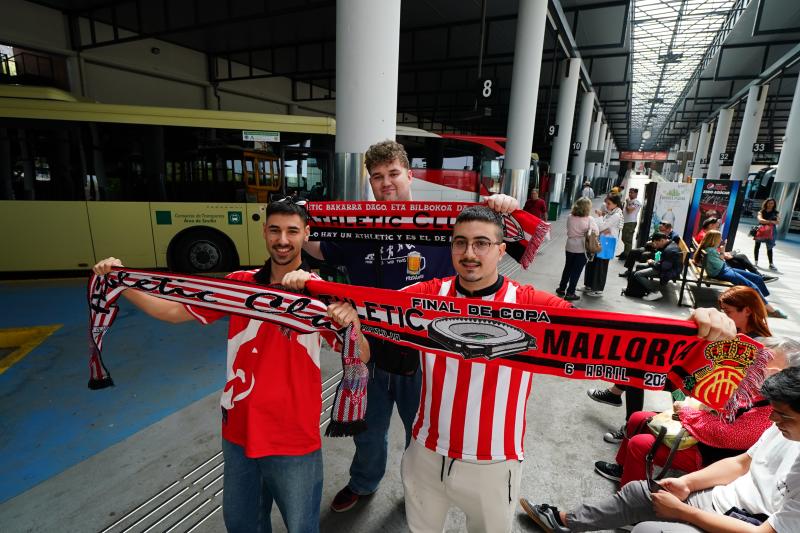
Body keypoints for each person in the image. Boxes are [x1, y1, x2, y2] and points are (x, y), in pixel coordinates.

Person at [286, 206, 736, 533]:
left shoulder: (532, 304)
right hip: (423, 454)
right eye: (461, 242)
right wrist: (317, 292)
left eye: (482, 243)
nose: (470, 253)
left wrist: (693, 328)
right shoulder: (424, 295)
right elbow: (371, 324)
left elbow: (612, 337)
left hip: (494, 463)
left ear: (501, 250)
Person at [91, 200, 369, 533]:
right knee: (241, 524)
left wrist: (352, 323)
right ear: (264, 232)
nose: (283, 239)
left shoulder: (320, 295)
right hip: (239, 431)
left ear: (306, 234)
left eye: (292, 231)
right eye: (275, 230)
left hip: (293, 437)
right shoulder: (238, 284)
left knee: (302, 527)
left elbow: (362, 356)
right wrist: (121, 282)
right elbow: (174, 312)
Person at [303, 139, 519, 513]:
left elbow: (496, 240)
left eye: (393, 173)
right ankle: (364, 482)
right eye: (376, 176)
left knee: (422, 432)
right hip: (367, 348)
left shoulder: (444, 225)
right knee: (368, 428)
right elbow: (320, 249)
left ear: (410, 175)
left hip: (426, 351)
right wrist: (300, 221)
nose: (385, 182)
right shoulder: (357, 227)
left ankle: (417, 490)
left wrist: (504, 207)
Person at [521, 365, 800, 533]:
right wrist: (686, 483)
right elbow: (741, 462)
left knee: (646, 528)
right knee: (638, 490)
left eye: (782, 415)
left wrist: (683, 513)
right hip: (715, 493)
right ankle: (566, 522)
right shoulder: (775, 421)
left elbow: (725, 437)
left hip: (737, 517)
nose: (773, 420)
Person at [593, 336, 799, 488]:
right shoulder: (751, 386)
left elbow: (728, 437)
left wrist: (686, 413)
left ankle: (631, 505)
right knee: (637, 419)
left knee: (640, 445)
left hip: (711, 454)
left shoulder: (773, 408)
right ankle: (624, 470)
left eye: (765, 364)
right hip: (700, 432)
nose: (755, 365)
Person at [695, 230, 787, 319]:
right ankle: (770, 310)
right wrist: (723, 253)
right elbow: (720, 264)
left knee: (757, 278)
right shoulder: (710, 251)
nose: (721, 240)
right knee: (752, 285)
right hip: (722, 272)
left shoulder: (710, 249)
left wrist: (722, 254)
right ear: (714, 240)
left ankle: (762, 303)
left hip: (724, 270)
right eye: (720, 238)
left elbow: (719, 261)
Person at [696, 218, 776, 283]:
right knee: (739, 260)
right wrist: (723, 253)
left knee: (741, 257)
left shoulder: (705, 234)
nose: (718, 229)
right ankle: (753, 278)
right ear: (710, 226)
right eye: (717, 227)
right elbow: (713, 255)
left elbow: (711, 252)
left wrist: (724, 253)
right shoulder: (706, 235)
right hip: (714, 265)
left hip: (712, 261)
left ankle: (755, 277)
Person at [556, 197, 598, 301]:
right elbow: (596, 232)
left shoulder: (570, 217)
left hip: (570, 245)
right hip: (581, 248)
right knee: (576, 271)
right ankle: (570, 292)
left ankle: (562, 288)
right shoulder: (589, 219)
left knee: (568, 268)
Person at [583, 194, 623, 297]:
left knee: (601, 266)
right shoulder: (610, 213)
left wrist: (600, 219)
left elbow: (602, 226)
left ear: (616, 204)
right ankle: (589, 285)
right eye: (606, 203)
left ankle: (598, 289)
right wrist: (601, 225)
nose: (607, 205)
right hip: (602, 240)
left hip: (607, 243)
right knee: (593, 263)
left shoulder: (616, 215)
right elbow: (602, 227)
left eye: (609, 203)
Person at [629, 231, 683, 302]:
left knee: (638, 274)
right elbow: (663, 262)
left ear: (662, 240)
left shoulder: (669, 250)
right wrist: (654, 262)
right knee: (639, 266)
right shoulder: (670, 244)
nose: (656, 245)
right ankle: (636, 290)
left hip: (669, 271)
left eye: (657, 243)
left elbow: (663, 267)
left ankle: (655, 292)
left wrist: (652, 262)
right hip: (667, 267)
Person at [754, 197, 780, 271]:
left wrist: (766, 221)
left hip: (771, 232)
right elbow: (760, 220)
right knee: (757, 246)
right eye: (769, 203)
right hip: (761, 230)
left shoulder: (776, 213)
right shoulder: (761, 211)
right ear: (766, 203)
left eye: (772, 203)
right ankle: (756, 263)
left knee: (769, 247)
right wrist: (771, 221)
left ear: (774, 204)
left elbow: (777, 222)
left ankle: (771, 264)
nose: (770, 204)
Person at [619, 188, 642, 260]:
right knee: (624, 238)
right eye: (629, 192)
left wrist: (628, 202)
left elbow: (629, 210)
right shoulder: (630, 201)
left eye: (632, 193)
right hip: (626, 222)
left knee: (628, 239)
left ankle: (627, 255)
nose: (630, 194)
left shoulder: (636, 202)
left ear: (636, 194)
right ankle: (626, 252)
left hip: (630, 223)